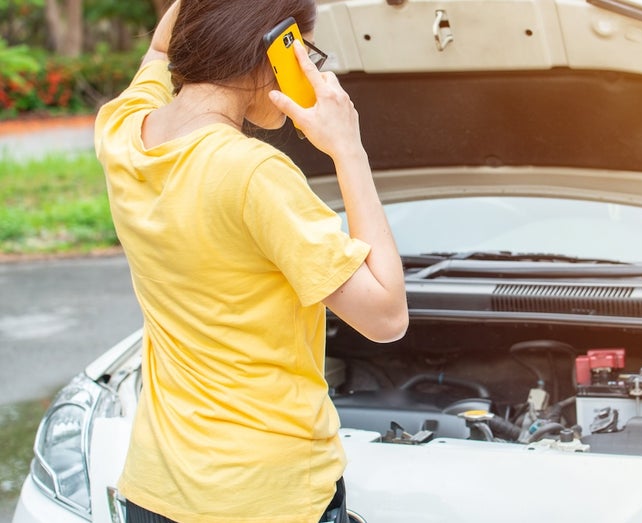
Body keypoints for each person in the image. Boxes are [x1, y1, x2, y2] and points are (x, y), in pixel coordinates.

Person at [94, 0, 408, 521]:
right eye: (299, 49)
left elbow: (157, 49)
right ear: (271, 47)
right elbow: (386, 317)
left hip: (155, 488)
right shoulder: (253, 174)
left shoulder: (121, 133)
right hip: (267, 496)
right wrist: (348, 148)